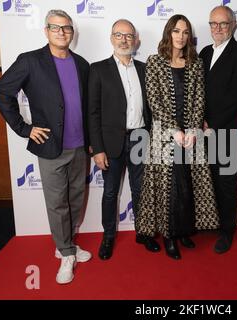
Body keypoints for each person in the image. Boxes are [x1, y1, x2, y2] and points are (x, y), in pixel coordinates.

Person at [0, 10, 91, 284]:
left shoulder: (82, 64)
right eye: (55, 27)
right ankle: (66, 253)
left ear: (72, 32)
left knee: (75, 202)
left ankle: (67, 245)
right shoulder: (30, 61)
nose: (62, 32)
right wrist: (25, 129)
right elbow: (1, 92)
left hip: (80, 147)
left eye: (67, 28)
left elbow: (87, 107)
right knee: (57, 204)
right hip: (50, 147)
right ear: (46, 31)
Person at [136, 14, 219, 260]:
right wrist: (175, 130)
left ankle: (184, 231)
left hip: (190, 136)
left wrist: (192, 129)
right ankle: (170, 236)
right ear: (168, 33)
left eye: (185, 32)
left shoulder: (195, 63)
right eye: (176, 31)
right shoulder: (154, 62)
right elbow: (154, 101)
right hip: (164, 135)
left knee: (187, 185)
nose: (180, 36)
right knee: (168, 188)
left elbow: (199, 99)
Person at [88, 19, 160, 260]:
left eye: (129, 36)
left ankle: (144, 232)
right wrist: (97, 148)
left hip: (140, 138)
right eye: (119, 35)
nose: (124, 40)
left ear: (136, 41)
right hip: (110, 144)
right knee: (110, 192)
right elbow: (93, 112)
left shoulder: (145, 68)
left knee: (141, 190)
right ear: (111, 38)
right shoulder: (98, 69)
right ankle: (108, 236)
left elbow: (152, 108)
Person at [199, 5, 237, 254]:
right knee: (206, 180)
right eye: (213, 24)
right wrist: (200, 120)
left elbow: (236, 96)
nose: (218, 28)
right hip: (203, 131)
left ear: (233, 25)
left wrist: (211, 123)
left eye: (223, 24)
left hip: (227, 132)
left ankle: (227, 231)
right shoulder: (205, 52)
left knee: (226, 183)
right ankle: (210, 222)